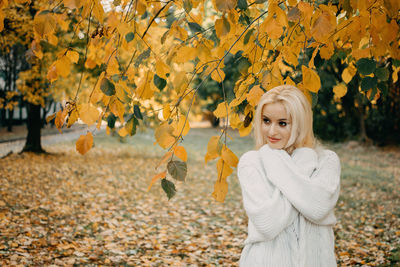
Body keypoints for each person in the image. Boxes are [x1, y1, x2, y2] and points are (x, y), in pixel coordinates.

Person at [237, 85, 341, 267]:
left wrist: (302, 157)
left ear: (300, 124)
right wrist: (272, 156)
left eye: (282, 123)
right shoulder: (251, 162)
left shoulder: (327, 161)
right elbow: (268, 224)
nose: (271, 132)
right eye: (266, 121)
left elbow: (318, 207)